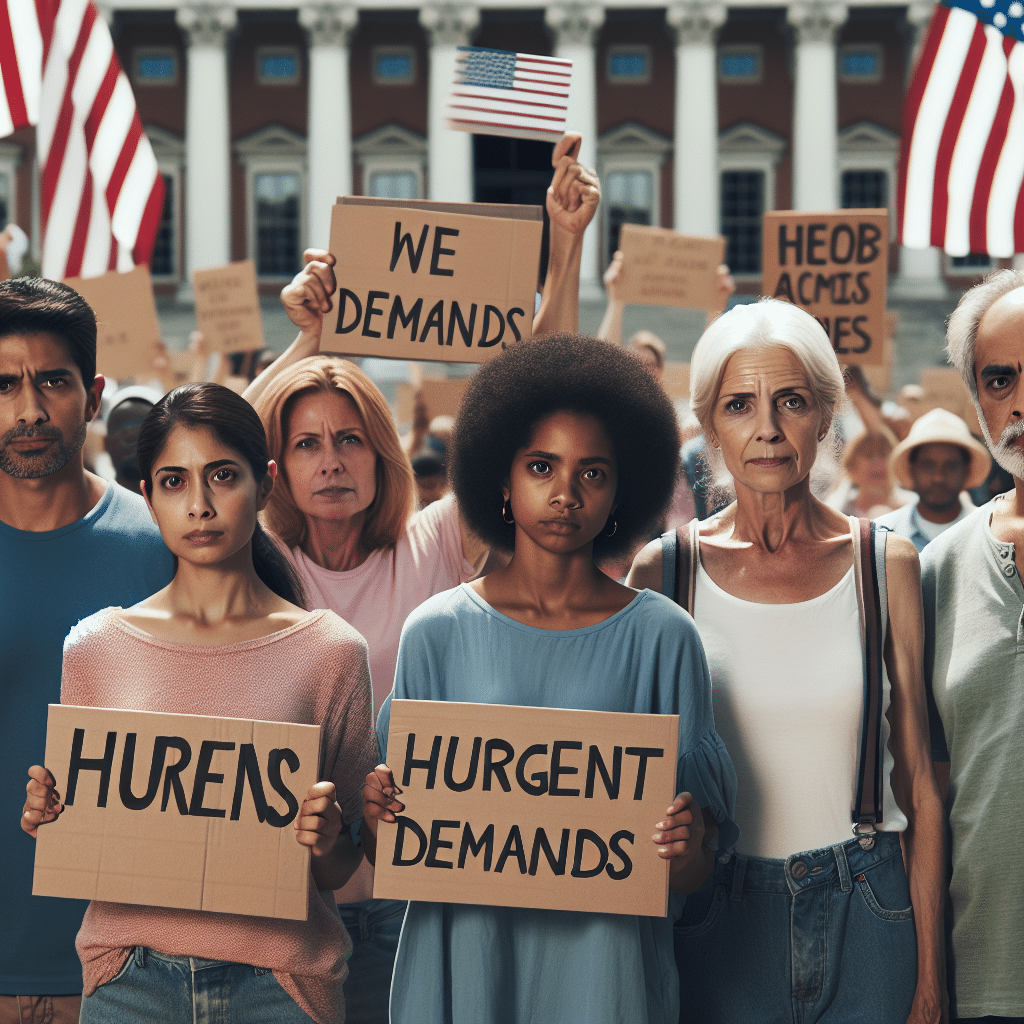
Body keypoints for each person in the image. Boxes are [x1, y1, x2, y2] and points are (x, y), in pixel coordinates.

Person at [239, 131, 601, 1024]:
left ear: (383, 452)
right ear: (279, 467)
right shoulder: (263, 563)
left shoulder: (433, 545)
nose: (332, 461)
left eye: (350, 438)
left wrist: (564, 250)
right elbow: (215, 448)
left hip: (424, 882)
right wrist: (304, 343)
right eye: (308, 444)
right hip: (287, 890)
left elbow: (533, 405)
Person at [360, 333, 737, 1024]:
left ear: (623, 488)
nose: (566, 493)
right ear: (502, 480)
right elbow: (398, 846)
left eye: (593, 472)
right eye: (542, 466)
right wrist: (378, 813)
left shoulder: (665, 638)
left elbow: (693, 872)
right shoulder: (435, 631)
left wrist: (684, 848)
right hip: (468, 976)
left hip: (607, 984)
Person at [628, 298, 945, 1024]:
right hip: (715, 920)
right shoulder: (662, 573)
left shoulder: (884, 562)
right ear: (709, 426)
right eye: (741, 405)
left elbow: (922, 785)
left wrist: (932, 982)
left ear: (826, 416)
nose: (767, 428)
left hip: (871, 907)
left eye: (791, 401)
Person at [21, 382, 377, 1024]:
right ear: (149, 497)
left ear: (265, 484)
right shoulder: (96, 647)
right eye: (174, 482)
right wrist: (51, 813)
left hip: (281, 984)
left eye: (221, 476)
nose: (201, 505)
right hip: (131, 980)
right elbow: (88, 831)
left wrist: (325, 842)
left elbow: (346, 863)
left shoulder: (331, 651)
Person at [0, 279, 174, 1024]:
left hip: (134, 975)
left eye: (52, 382)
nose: (29, 410)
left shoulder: (169, 546)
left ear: (93, 393)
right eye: (4, 384)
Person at [923, 269, 1024, 1022]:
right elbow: (923, 796)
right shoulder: (935, 572)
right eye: (1000, 379)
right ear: (978, 403)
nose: (1021, 398)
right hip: (984, 979)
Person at [874, 408, 989, 552]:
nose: (938, 477)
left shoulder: (991, 534)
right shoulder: (883, 535)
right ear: (912, 469)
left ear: (966, 471)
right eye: (928, 466)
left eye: (951, 466)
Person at [826, 425, 913, 517]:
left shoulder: (915, 509)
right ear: (852, 465)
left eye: (883, 455)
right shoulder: (836, 511)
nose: (878, 463)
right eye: (869, 456)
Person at [103, 385, 162, 494]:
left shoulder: (184, 506)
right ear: (106, 443)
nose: (132, 436)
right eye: (121, 427)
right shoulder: (93, 506)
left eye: (144, 427)